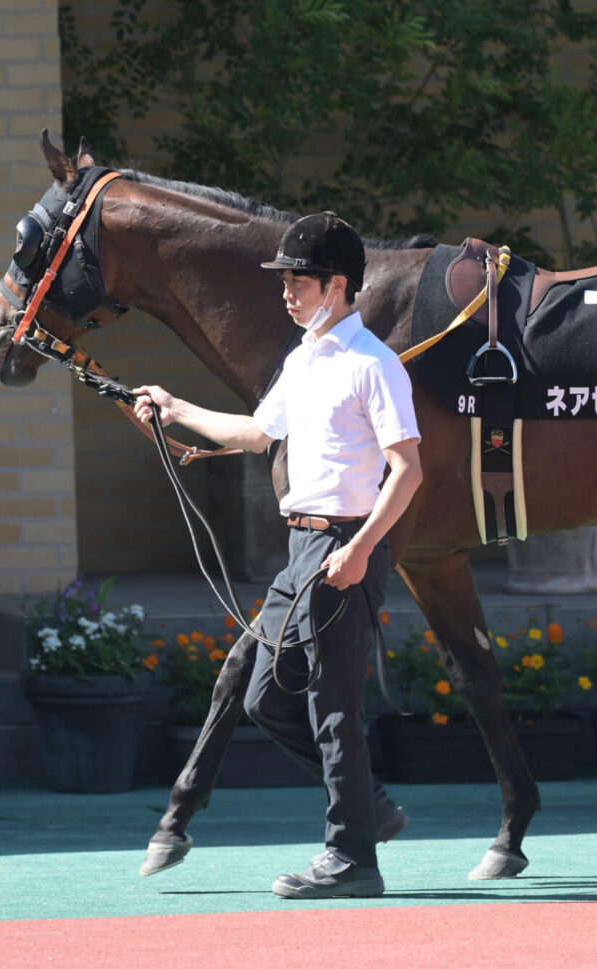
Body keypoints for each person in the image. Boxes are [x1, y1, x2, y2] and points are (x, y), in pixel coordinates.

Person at [132, 212, 422, 900]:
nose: (286, 292)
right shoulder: (305, 359)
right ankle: (369, 810)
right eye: (286, 280)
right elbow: (258, 432)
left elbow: (408, 470)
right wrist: (174, 407)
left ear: (338, 284)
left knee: (333, 704)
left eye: (299, 280)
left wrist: (360, 549)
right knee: (266, 697)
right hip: (301, 549)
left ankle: (353, 856)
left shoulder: (373, 364)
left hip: (343, 543)